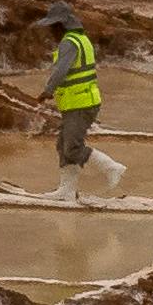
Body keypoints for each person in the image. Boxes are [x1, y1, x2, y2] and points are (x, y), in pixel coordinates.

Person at [40, 11, 103, 180]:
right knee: (63, 146)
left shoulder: (69, 43)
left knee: (71, 148)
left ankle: (111, 168)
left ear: (61, 26)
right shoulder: (82, 39)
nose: (50, 32)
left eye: (52, 27)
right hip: (78, 101)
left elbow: (61, 71)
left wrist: (48, 90)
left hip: (80, 102)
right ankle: (67, 190)